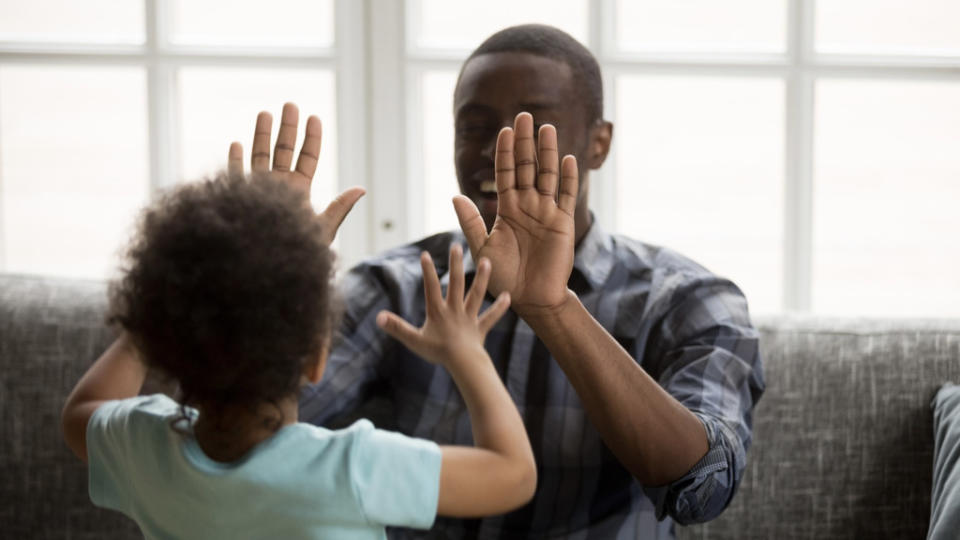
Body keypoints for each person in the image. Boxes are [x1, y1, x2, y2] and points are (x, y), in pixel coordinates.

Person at [234, 24, 765, 539]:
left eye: (532, 126)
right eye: (475, 127)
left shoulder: (688, 300)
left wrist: (554, 308)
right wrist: (269, 280)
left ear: (599, 143)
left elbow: (700, 488)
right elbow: (247, 440)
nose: (496, 150)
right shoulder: (394, 285)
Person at [60, 120, 541, 538]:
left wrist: (167, 300)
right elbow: (514, 475)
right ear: (316, 359)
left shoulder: (141, 444)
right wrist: (466, 352)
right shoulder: (352, 468)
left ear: (157, 335)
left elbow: (81, 410)